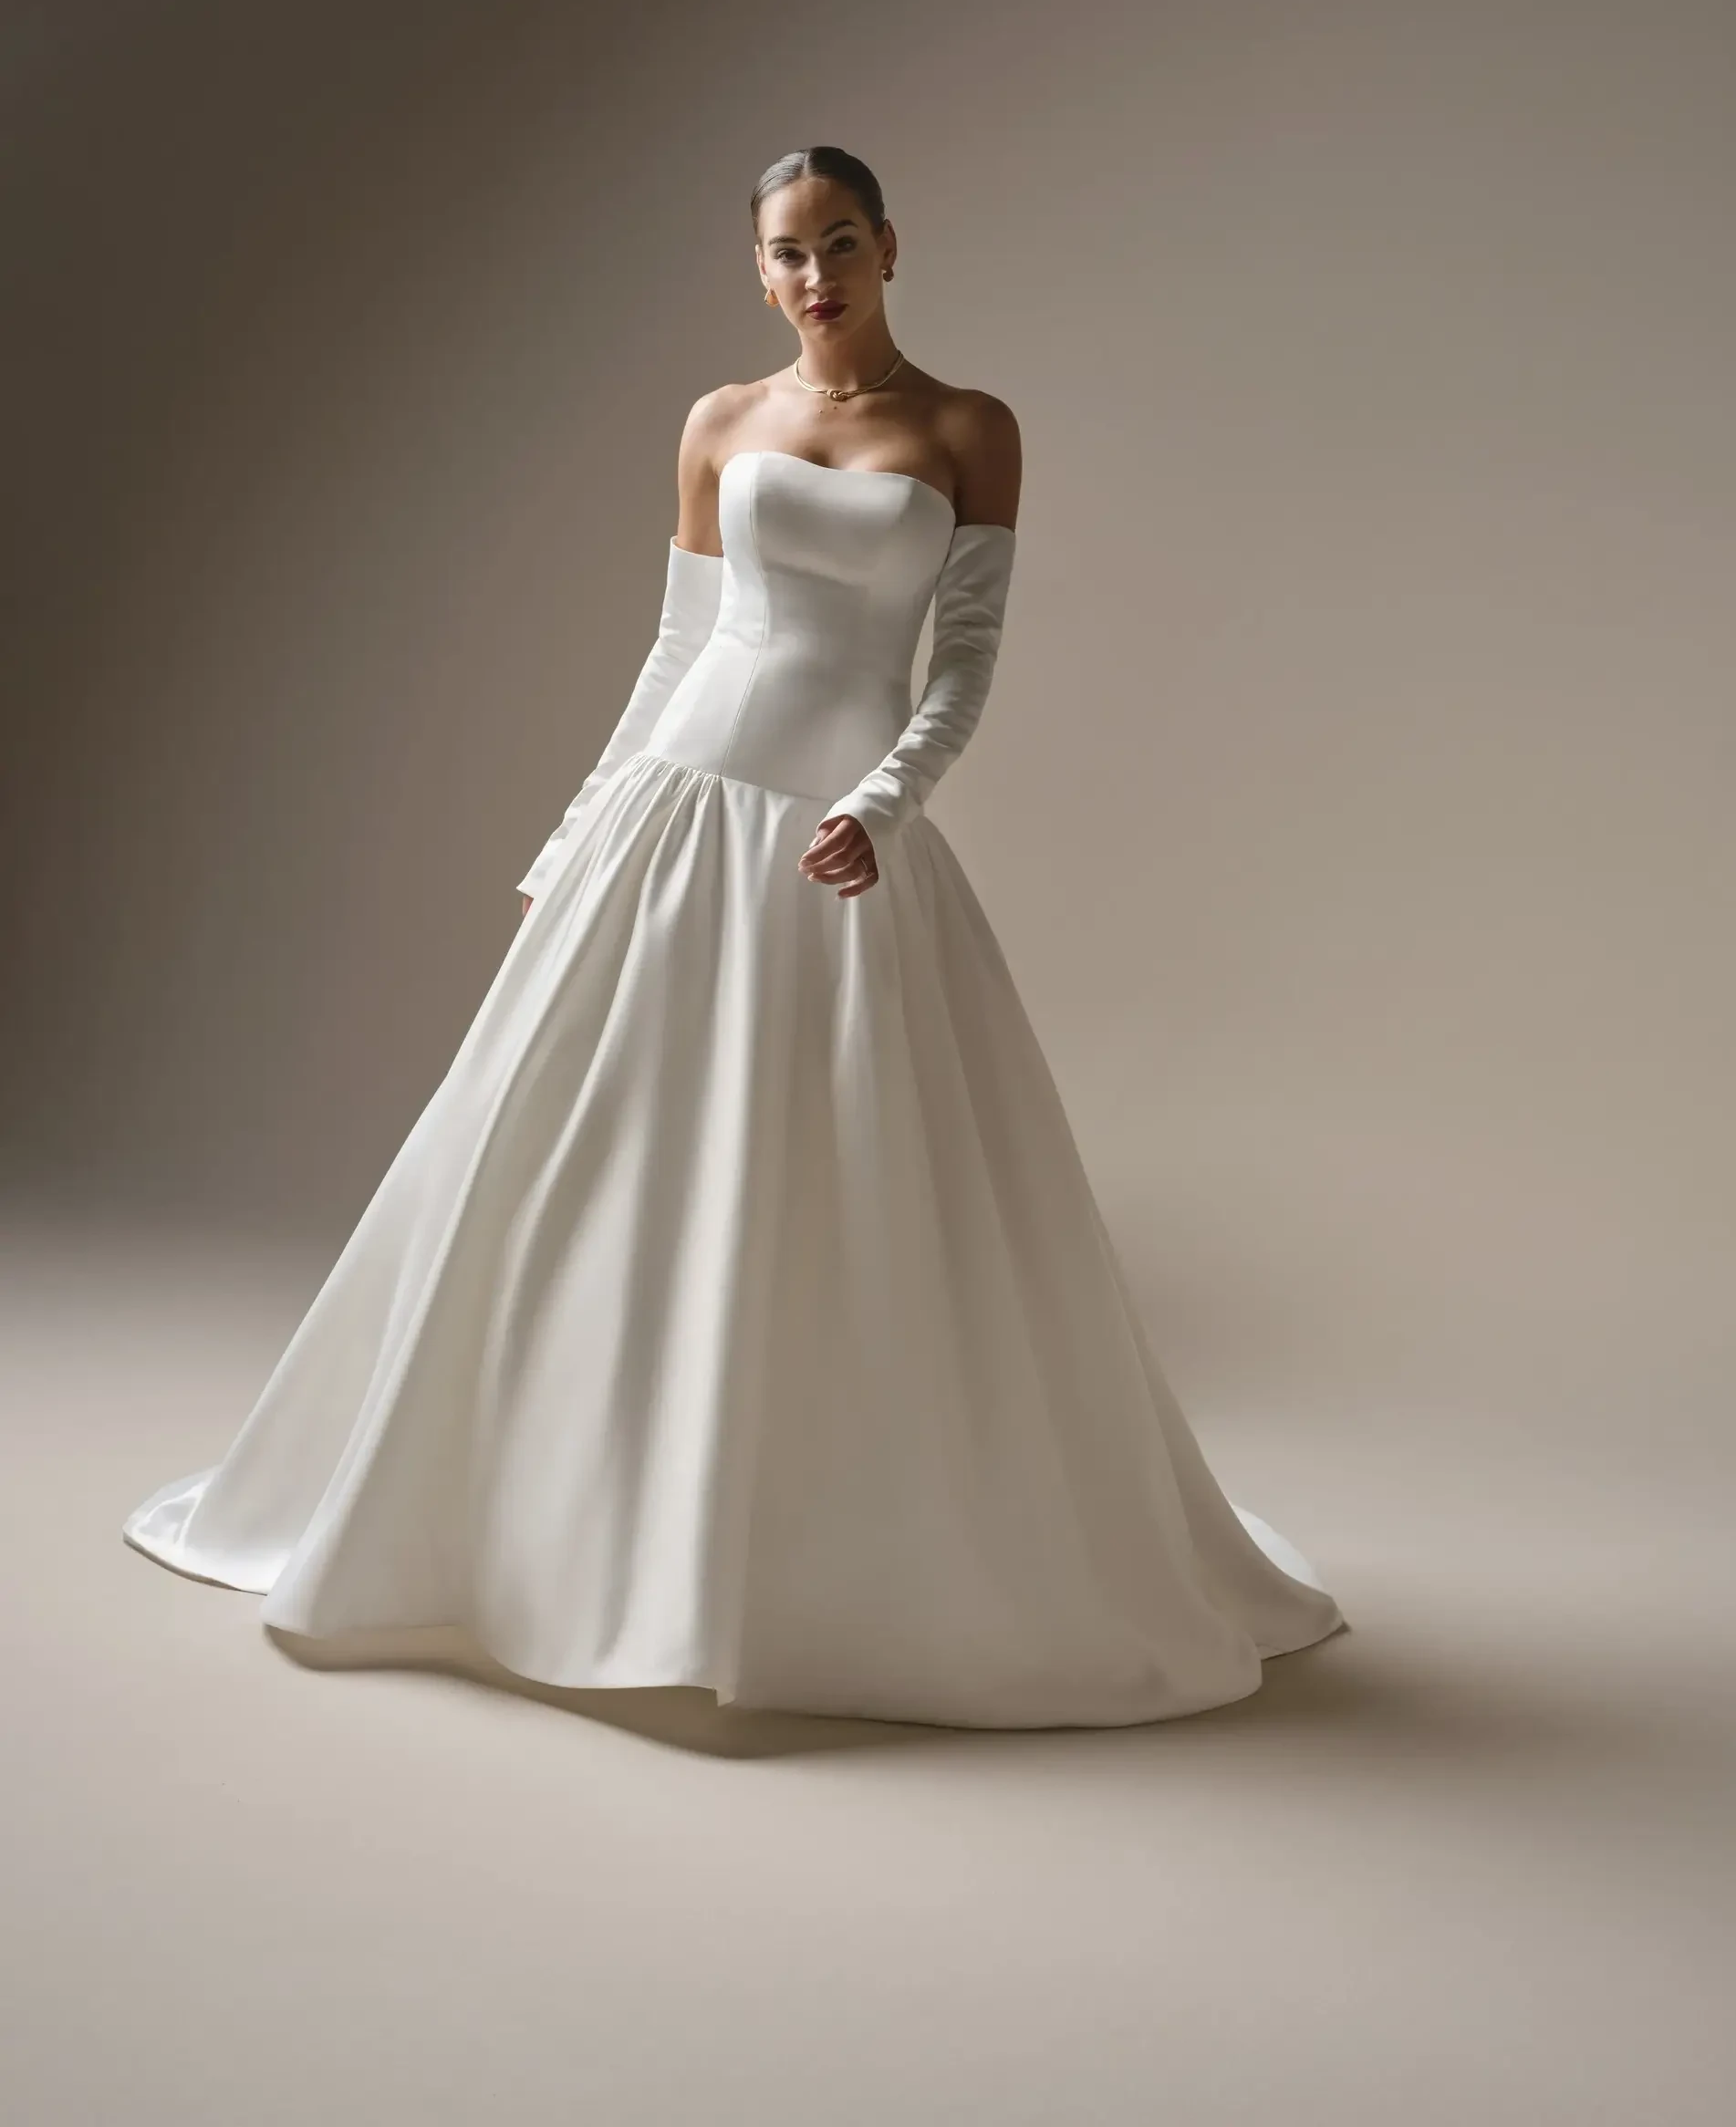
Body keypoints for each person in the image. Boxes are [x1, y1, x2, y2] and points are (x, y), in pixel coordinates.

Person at [122, 145, 1346, 1728]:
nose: (814, 275)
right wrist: (574, 840)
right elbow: (677, 653)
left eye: (840, 242)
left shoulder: (969, 430)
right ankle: (539, 1522)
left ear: (892, 247)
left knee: (844, 1177)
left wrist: (886, 804)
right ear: (758, 270)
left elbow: (960, 662)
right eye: (785, 252)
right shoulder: (718, 422)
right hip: (682, 806)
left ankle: (797, 1543)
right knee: (571, 1160)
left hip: (838, 840)